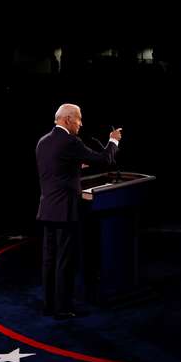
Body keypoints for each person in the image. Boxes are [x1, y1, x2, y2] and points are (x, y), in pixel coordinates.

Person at [36, 103, 122, 319]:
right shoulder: (70, 141)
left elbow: (55, 169)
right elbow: (105, 159)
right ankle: (62, 309)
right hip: (65, 211)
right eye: (78, 119)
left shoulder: (43, 142)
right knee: (64, 261)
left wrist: (74, 166)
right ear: (67, 120)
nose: (81, 124)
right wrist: (113, 140)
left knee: (49, 259)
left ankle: (49, 304)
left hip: (47, 209)